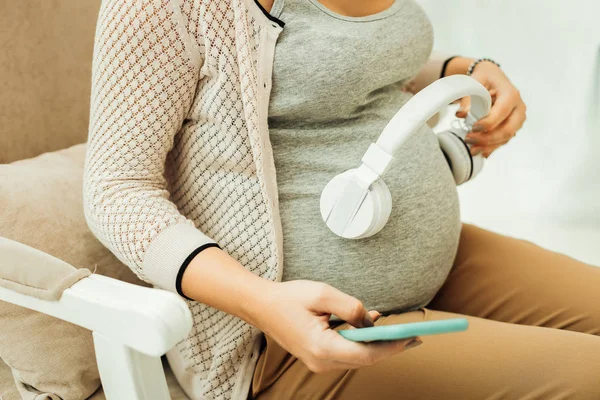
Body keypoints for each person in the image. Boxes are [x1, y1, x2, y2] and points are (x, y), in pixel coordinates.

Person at [83, 0, 600, 398]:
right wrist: (263, 303)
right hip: (289, 343)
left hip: (436, 263)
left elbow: (347, 64)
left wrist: (459, 69)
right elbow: (115, 192)